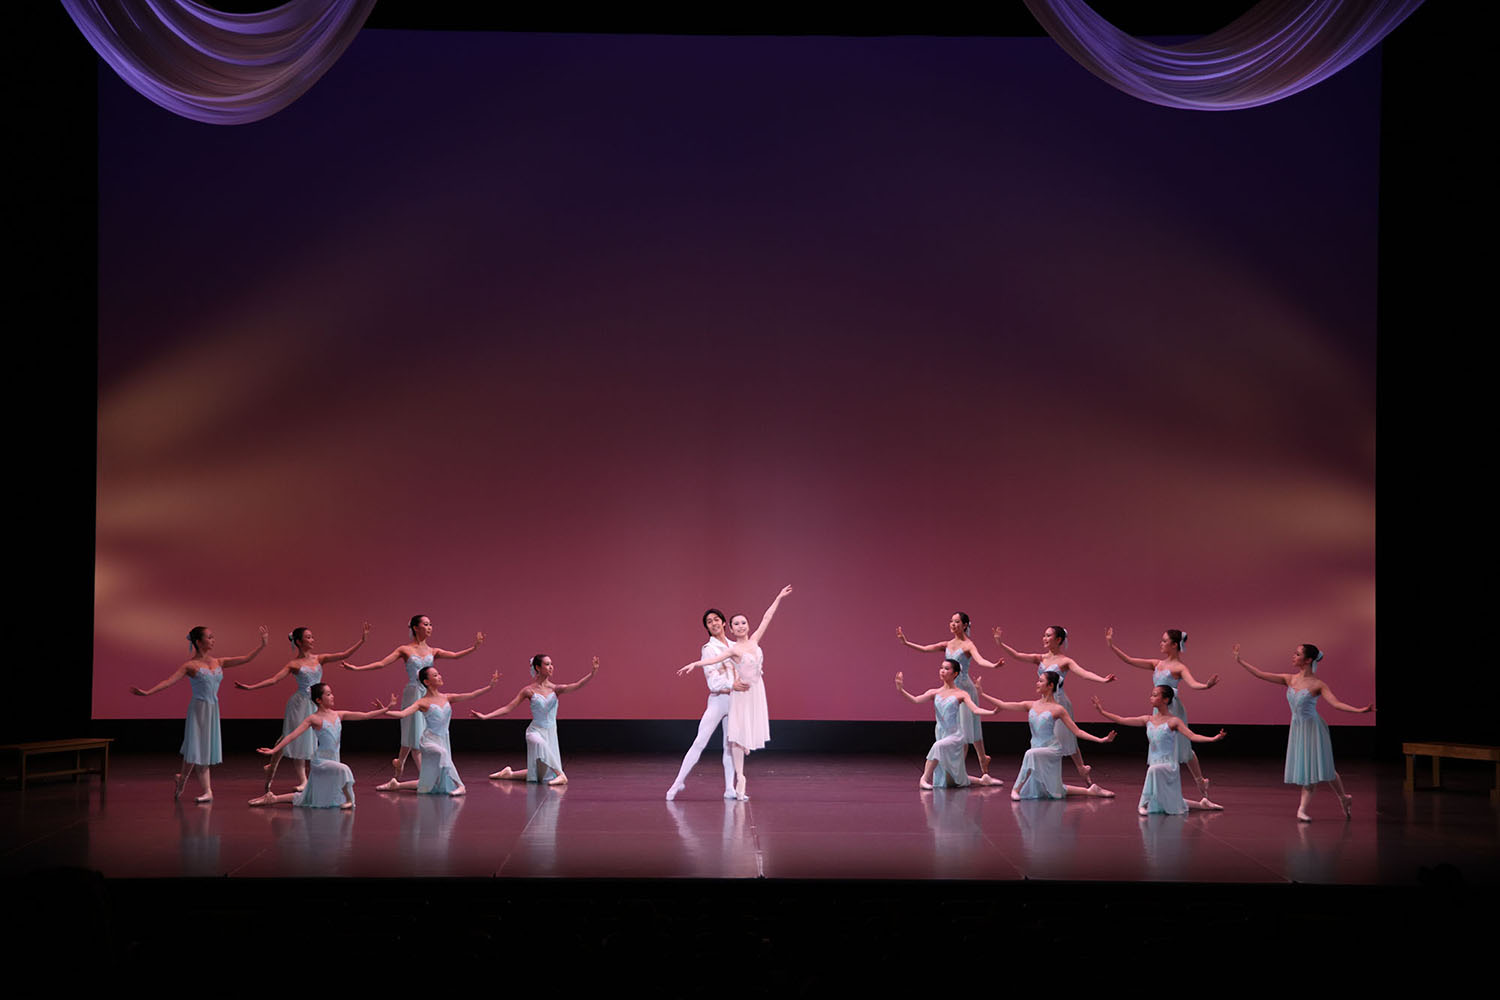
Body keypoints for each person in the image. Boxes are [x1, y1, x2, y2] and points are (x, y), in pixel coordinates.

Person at [1233, 642, 1373, 821]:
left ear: (1308, 660)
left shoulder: (1317, 684)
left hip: (1313, 729)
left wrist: (1360, 711)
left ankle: (1323, 804)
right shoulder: (1289, 679)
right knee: (1314, 769)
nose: (1293, 656)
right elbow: (1260, 674)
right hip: (1298, 728)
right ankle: (1332, 801)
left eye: (1297, 654)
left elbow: (1336, 703)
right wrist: (1240, 661)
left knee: (1323, 768)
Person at [131, 625, 269, 802]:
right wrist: (147, 692)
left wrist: (262, 645)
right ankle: (207, 791)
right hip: (198, 710)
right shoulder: (190, 666)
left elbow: (246, 659)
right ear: (198, 641)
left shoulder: (219, 662)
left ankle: (182, 778)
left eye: (213, 637)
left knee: (196, 749)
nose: (213, 640)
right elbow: (169, 681)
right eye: (209, 637)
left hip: (212, 709)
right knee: (197, 748)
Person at [681, 584, 793, 800]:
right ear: (730, 628)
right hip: (740, 694)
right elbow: (713, 660)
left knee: (742, 736)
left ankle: (740, 768)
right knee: (734, 737)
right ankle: (739, 778)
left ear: (748, 626)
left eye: (743, 623)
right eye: (736, 624)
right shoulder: (732, 649)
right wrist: (695, 664)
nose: (741, 626)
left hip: (756, 692)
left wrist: (779, 597)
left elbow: (767, 617)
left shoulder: (754, 640)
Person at [343, 615, 485, 782]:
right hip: (413, 693)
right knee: (414, 733)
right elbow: (382, 663)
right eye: (426, 624)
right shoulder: (405, 649)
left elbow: (455, 655)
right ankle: (425, 777)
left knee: (414, 732)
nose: (430, 627)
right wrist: (357, 668)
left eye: (430, 624)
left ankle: (400, 762)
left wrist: (474, 647)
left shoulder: (433, 651)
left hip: (428, 694)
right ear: (416, 628)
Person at [235, 622, 371, 794]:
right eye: (308, 637)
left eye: (312, 637)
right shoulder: (294, 664)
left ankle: (272, 765)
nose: (312, 640)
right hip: (299, 705)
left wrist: (362, 641)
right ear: (299, 642)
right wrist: (250, 687)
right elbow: (274, 679)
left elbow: (344, 654)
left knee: (301, 739)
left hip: (316, 703)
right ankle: (303, 780)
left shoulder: (319, 658)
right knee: (298, 739)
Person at [1105, 627, 1219, 799]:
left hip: (1174, 709)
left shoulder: (1179, 667)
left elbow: (1193, 683)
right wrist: (1111, 645)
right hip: (1159, 707)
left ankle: (1199, 780)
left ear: (1174, 645)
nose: (1161, 643)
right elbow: (1129, 660)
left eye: (1165, 641)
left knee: (1182, 746)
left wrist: (1206, 686)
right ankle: (1164, 787)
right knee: (1160, 744)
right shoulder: (1156, 664)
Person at [993, 625, 1115, 786]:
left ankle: (1079, 769)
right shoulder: (1040, 658)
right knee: (1046, 737)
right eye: (1044, 635)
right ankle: (1056, 772)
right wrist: (1000, 643)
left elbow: (1084, 673)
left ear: (1058, 640)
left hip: (1060, 702)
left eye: (1048, 635)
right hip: (1045, 703)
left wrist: (1102, 680)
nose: (1044, 638)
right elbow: (1017, 655)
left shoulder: (1065, 661)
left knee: (1067, 736)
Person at [248, 684, 396, 808]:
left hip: (334, 759)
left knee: (310, 796)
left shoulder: (338, 715)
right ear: (319, 700)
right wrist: (274, 750)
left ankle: (273, 798)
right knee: (344, 769)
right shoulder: (314, 719)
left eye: (332, 693)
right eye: (328, 694)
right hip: (321, 762)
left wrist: (386, 708)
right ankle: (350, 801)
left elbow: (365, 715)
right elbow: (293, 735)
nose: (332, 696)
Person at [973, 671, 1116, 800]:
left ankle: (1015, 789)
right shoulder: (1031, 705)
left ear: (1050, 685)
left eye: (1041, 681)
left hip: (1052, 749)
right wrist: (982, 694)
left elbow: (1077, 731)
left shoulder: (1058, 709)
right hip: (1037, 747)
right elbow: (1003, 704)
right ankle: (1091, 791)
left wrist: (1100, 740)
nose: (1037, 683)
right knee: (1050, 789)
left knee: (1029, 754)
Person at [897, 612, 1004, 781]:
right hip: (950, 689)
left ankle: (967, 765)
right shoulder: (947, 644)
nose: (953, 624)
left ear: (965, 625)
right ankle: (977, 760)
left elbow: (980, 660)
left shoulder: (968, 645)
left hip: (964, 689)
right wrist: (906, 642)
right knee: (961, 727)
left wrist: (993, 665)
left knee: (968, 728)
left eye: (957, 622)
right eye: (951, 621)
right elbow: (925, 648)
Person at [1093, 688, 1225, 814]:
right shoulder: (1148, 719)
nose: (1151, 697)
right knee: (1167, 801)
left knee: (1153, 771)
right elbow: (1121, 720)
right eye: (1152, 695)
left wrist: (1213, 739)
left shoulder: (1174, 721)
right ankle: (1203, 804)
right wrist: (1102, 711)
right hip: (1155, 762)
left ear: (1165, 700)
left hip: (1169, 765)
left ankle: (1143, 804)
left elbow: (1192, 736)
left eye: (1155, 695)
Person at [476, 655, 600, 785]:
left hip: (550, 734)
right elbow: (508, 708)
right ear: (538, 668)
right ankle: (561, 775)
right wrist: (486, 716)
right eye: (547, 664)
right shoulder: (528, 690)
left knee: (540, 775)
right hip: (534, 731)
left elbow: (576, 685)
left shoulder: (555, 689)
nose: (551, 667)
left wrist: (592, 673)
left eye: (551, 664)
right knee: (539, 743)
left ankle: (508, 774)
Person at [379, 666, 499, 796]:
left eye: (438, 674)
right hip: (428, 740)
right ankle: (461, 786)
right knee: (442, 754)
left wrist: (490, 686)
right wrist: (385, 710)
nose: (440, 676)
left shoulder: (447, 697)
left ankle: (396, 785)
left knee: (433, 781)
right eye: (435, 675)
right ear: (427, 682)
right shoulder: (422, 702)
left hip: (443, 740)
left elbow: (471, 695)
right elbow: (403, 714)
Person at [667, 609, 742, 800]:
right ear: (707, 627)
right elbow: (713, 682)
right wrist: (731, 684)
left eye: (716, 619)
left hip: (736, 700)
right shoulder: (708, 649)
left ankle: (730, 788)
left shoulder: (736, 645)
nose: (714, 623)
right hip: (719, 700)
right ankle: (677, 784)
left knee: (730, 746)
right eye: (709, 622)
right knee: (700, 742)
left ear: (724, 622)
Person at [895, 660, 1000, 789]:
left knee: (937, 746)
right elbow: (916, 700)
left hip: (955, 735)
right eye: (941, 668)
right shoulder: (934, 692)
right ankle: (983, 781)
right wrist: (901, 690)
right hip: (941, 733)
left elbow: (975, 710)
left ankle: (924, 779)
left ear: (955, 673)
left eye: (946, 669)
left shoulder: (961, 694)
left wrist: (992, 712)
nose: (942, 671)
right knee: (952, 779)